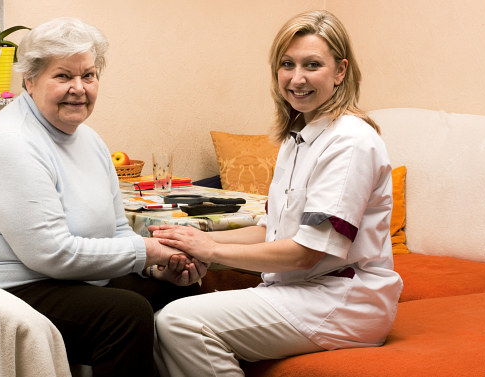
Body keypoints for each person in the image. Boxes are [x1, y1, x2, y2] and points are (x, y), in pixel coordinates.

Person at [0, 17, 208, 377]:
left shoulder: (90, 140)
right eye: (63, 76)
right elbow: (52, 253)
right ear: (29, 81)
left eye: (89, 75)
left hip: (62, 279)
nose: (79, 88)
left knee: (183, 296)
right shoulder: (11, 143)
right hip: (2, 288)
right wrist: (149, 251)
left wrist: (156, 269)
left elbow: (116, 229)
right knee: (124, 315)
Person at [150, 10, 403, 377]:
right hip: (297, 292)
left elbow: (305, 254)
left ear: (340, 71)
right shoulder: (296, 138)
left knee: (178, 323)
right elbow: (270, 230)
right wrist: (195, 239)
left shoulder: (350, 142)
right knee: (158, 321)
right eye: (287, 64)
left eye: (312, 64)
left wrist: (212, 251)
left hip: (342, 301)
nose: (296, 78)